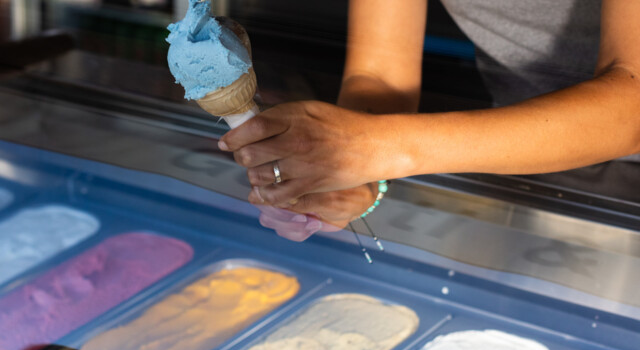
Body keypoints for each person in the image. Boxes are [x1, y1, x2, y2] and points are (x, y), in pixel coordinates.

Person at [218, 0, 640, 240]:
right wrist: (354, 176)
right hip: (530, 158)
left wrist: (376, 147)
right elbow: (381, 72)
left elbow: (633, 106)